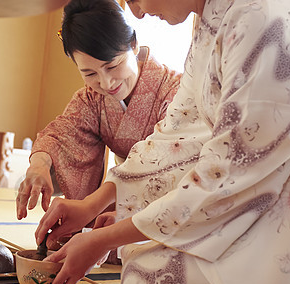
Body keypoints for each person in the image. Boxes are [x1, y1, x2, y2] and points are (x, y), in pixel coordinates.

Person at [35, 0, 290, 284]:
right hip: (206, 191)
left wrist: (104, 238)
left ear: (132, 47)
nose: (138, 13)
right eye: (89, 74)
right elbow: (174, 135)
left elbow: (225, 173)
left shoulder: (261, 19)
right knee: (144, 268)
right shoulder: (211, 23)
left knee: (154, 280)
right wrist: (92, 203)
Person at [15, 0, 181, 221]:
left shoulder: (175, 92)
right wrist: (38, 166)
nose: (106, 83)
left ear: (133, 44)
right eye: (89, 74)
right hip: (118, 200)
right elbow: (61, 135)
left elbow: (175, 166)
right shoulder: (91, 100)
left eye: (112, 66)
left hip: (167, 207)